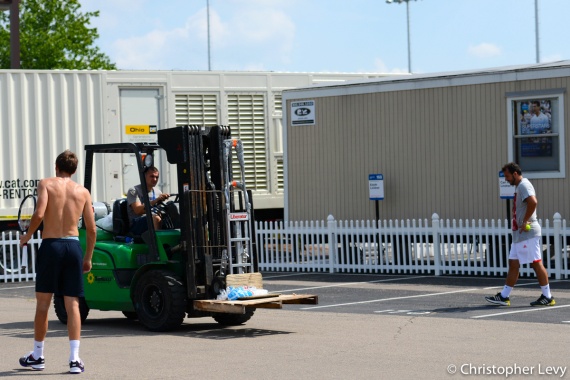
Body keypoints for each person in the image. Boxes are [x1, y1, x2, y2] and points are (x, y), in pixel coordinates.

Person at [19, 150, 96, 374]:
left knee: (43, 304)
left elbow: (39, 213)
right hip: (72, 246)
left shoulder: (46, 184)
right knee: (73, 304)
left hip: (51, 245)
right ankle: (74, 359)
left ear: (56, 166)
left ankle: (38, 355)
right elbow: (91, 229)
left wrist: (27, 235)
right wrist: (88, 257)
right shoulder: (82, 191)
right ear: (74, 169)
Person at [485, 162, 555, 307]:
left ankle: (547, 296)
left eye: (508, 176)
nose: (506, 179)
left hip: (528, 233)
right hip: (520, 234)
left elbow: (533, 202)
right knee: (513, 264)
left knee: (536, 263)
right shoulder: (519, 186)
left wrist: (525, 221)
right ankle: (504, 296)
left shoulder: (524, 185)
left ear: (515, 174)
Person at [126, 166, 170, 235]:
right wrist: (156, 200)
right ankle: (157, 243)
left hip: (152, 219)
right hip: (137, 224)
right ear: (144, 176)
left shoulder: (158, 192)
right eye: (152, 176)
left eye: (157, 177)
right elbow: (138, 210)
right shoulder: (134, 190)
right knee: (156, 218)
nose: (155, 179)